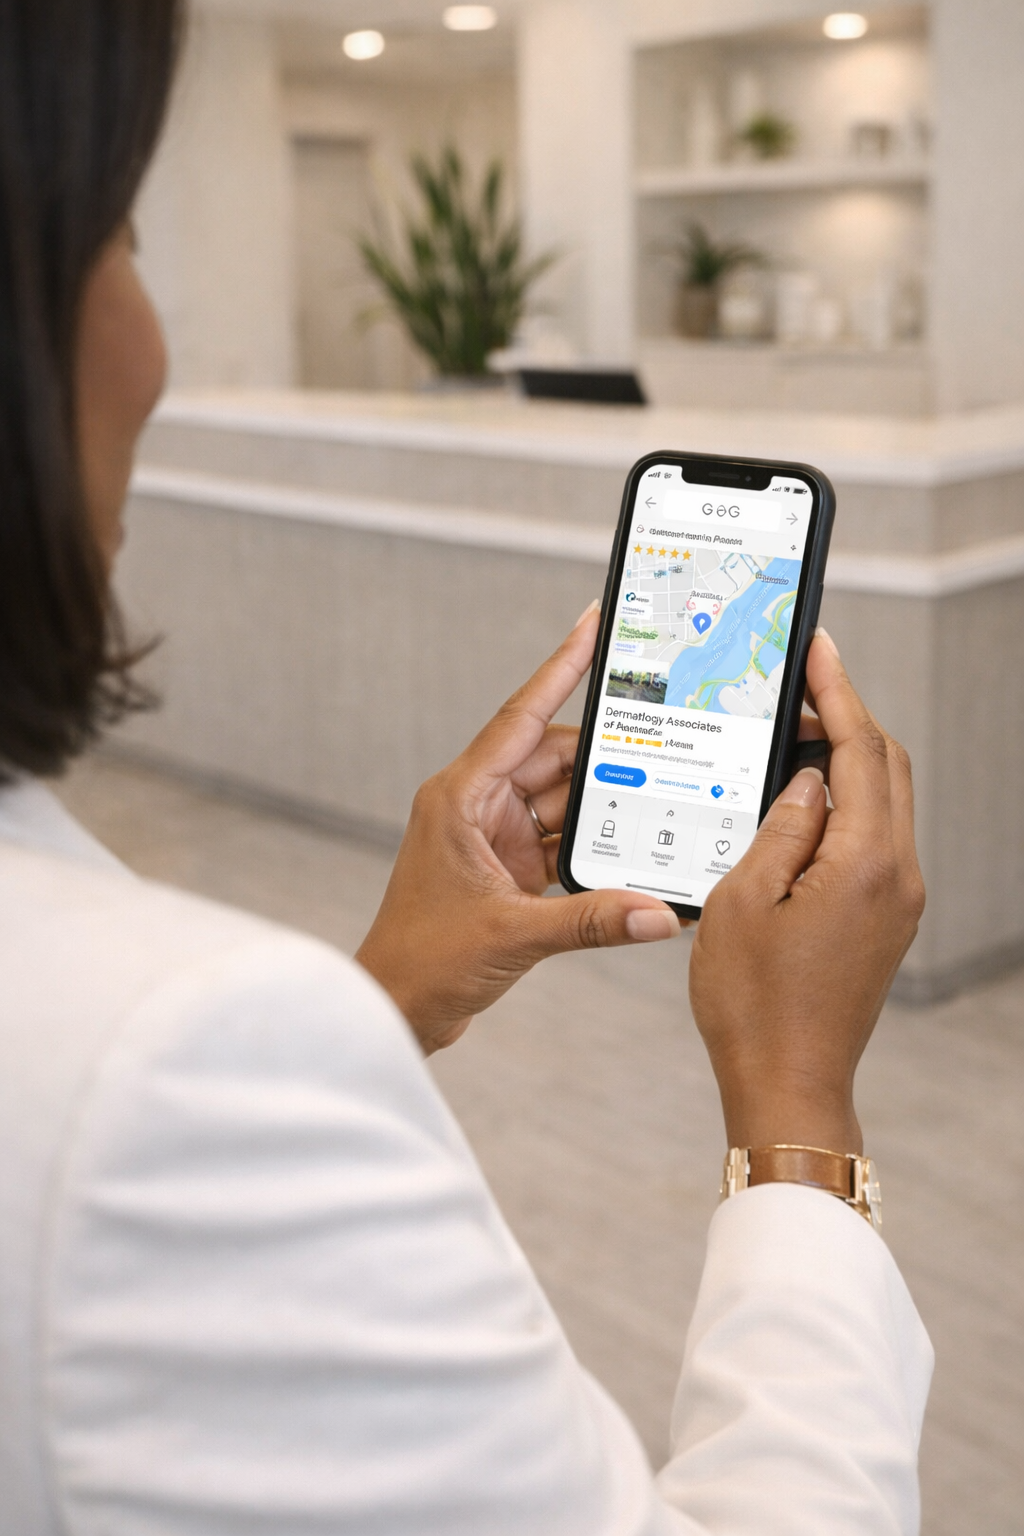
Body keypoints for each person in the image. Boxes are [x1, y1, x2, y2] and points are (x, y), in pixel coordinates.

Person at [0, 2, 932, 1533]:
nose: (156, 348)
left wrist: (379, 1002)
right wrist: (798, 1102)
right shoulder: (162, 1063)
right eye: (122, 234)